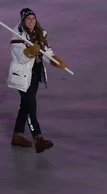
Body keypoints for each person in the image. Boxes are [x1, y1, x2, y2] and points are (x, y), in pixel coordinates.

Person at [7, 8, 67, 153]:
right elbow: (20, 57)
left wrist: (55, 61)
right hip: (23, 76)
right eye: (28, 19)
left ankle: (17, 136)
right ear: (23, 21)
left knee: (25, 106)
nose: (32, 21)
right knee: (31, 106)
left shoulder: (40, 33)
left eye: (33, 18)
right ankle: (38, 139)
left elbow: (46, 52)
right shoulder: (17, 35)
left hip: (35, 74)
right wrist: (30, 51)